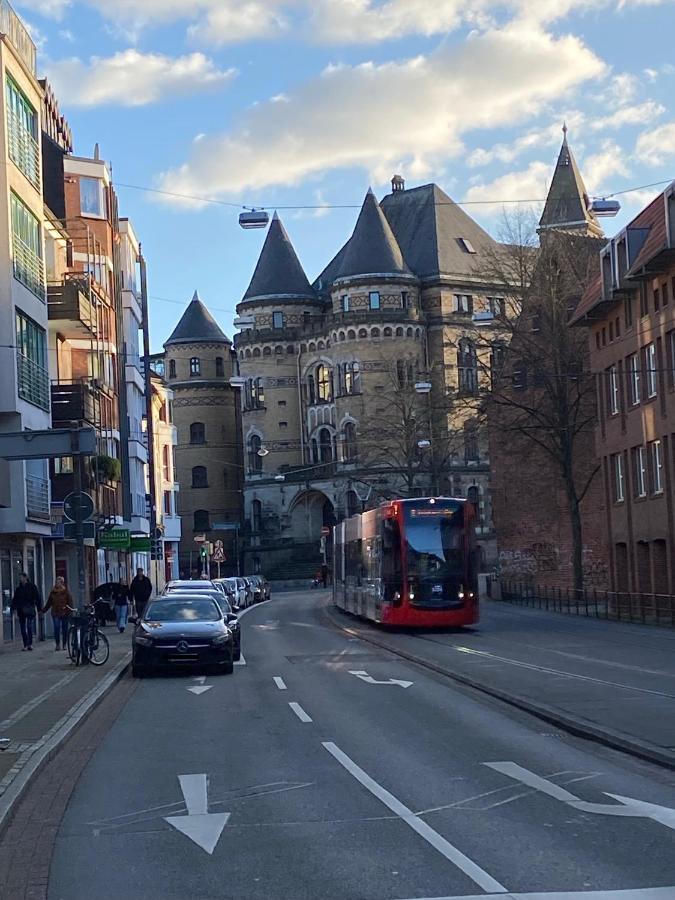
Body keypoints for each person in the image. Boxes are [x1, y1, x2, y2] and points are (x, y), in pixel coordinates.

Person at [10, 573, 42, 651]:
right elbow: (15, 599)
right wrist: (13, 609)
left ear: (25, 578)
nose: (20, 579)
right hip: (21, 610)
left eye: (21, 577)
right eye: (20, 577)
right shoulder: (19, 589)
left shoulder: (32, 587)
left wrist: (39, 609)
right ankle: (25, 644)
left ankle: (29, 644)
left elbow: (37, 598)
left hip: (29, 609)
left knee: (29, 626)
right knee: (23, 628)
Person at [41, 576, 72, 651]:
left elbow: (70, 603)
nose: (56, 584)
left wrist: (69, 612)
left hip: (64, 613)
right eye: (56, 582)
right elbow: (49, 603)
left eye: (58, 582)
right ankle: (57, 644)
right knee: (56, 627)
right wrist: (43, 611)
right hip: (55, 612)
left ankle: (64, 644)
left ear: (62, 583)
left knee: (65, 629)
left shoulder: (66, 592)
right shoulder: (53, 592)